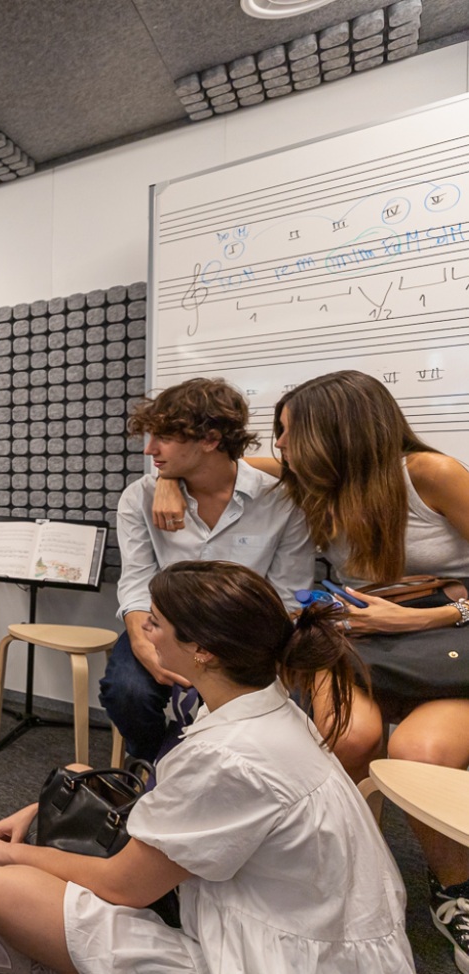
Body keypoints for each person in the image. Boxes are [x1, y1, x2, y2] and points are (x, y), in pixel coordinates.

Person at [0, 561, 413, 974]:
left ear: (203, 650)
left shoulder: (227, 755)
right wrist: (38, 808)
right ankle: (38, 941)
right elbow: (179, 802)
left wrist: (15, 856)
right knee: (77, 775)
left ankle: (33, 946)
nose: (145, 632)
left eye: (155, 622)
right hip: (322, 927)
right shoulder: (263, 703)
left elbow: (124, 886)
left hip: (279, 958)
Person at [155, 369, 469, 968]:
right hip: (353, 638)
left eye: (290, 432)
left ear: (338, 430)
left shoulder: (432, 474)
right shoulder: (310, 481)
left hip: (443, 641)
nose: (281, 448)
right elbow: (210, 466)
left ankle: (454, 895)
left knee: (421, 757)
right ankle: (345, 873)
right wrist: (167, 477)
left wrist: (429, 618)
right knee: (347, 736)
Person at [101, 378, 314, 760]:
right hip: (162, 624)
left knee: (285, 707)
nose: (151, 450)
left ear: (211, 440)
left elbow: (288, 594)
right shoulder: (140, 496)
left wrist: (233, 654)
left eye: (164, 438)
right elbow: (136, 578)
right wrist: (138, 638)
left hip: (244, 634)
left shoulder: (280, 502)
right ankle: (157, 763)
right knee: (126, 691)